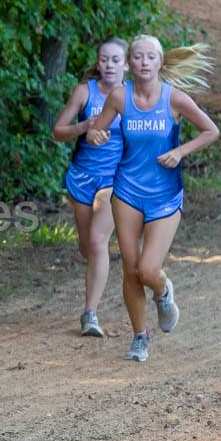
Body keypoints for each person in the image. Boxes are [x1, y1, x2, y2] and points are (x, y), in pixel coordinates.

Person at [87, 35, 219, 362]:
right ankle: (140, 336)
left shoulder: (174, 99)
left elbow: (211, 131)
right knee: (131, 269)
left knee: (148, 269)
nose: (144, 62)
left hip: (164, 195)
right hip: (127, 191)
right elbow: (95, 131)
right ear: (130, 63)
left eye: (150, 57)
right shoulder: (120, 96)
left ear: (160, 62)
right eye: (138, 57)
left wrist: (180, 151)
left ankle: (163, 291)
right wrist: (96, 134)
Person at [51, 38, 127, 338]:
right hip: (82, 177)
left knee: (97, 243)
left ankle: (90, 314)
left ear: (125, 65)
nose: (109, 65)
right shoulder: (85, 92)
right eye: (105, 60)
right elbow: (58, 132)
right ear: (98, 63)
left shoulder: (131, 97)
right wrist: (85, 128)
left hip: (115, 180)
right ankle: (100, 266)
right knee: (87, 248)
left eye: (116, 60)